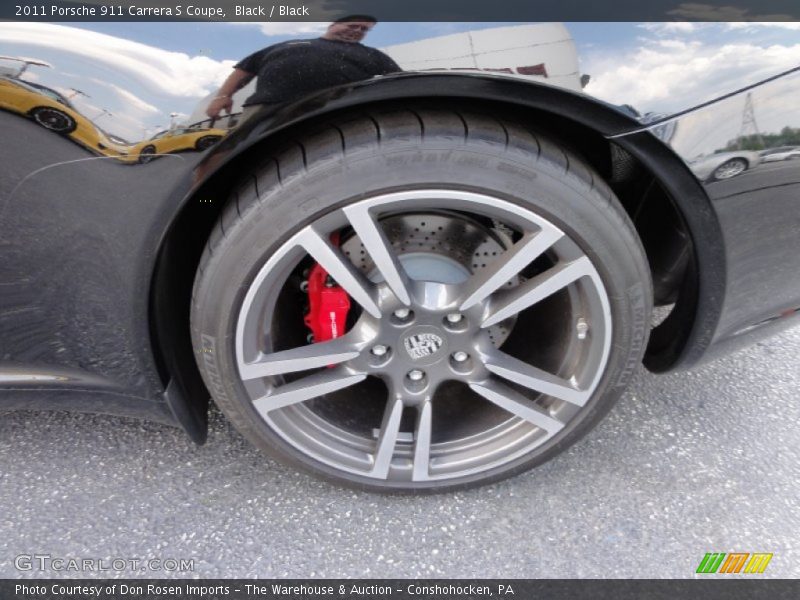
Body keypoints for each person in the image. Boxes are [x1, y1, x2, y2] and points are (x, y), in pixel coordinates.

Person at [206, 15, 400, 121]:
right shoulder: (288, 45)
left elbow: (399, 81)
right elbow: (245, 68)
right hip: (264, 109)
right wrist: (222, 96)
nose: (357, 31)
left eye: (363, 29)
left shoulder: (373, 54)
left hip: (333, 111)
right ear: (334, 24)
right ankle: (207, 197)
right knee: (223, 161)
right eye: (352, 25)